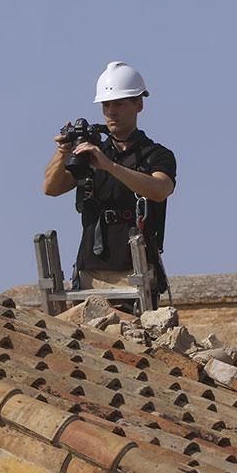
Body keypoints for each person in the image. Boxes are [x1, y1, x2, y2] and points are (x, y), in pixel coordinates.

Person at [42, 61, 176, 307]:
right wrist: (64, 152)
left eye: (119, 104)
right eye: (106, 105)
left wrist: (110, 166)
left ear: (139, 104)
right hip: (90, 271)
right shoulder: (91, 153)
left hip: (135, 269)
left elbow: (160, 190)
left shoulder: (156, 155)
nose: (111, 112)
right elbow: (50, 188)